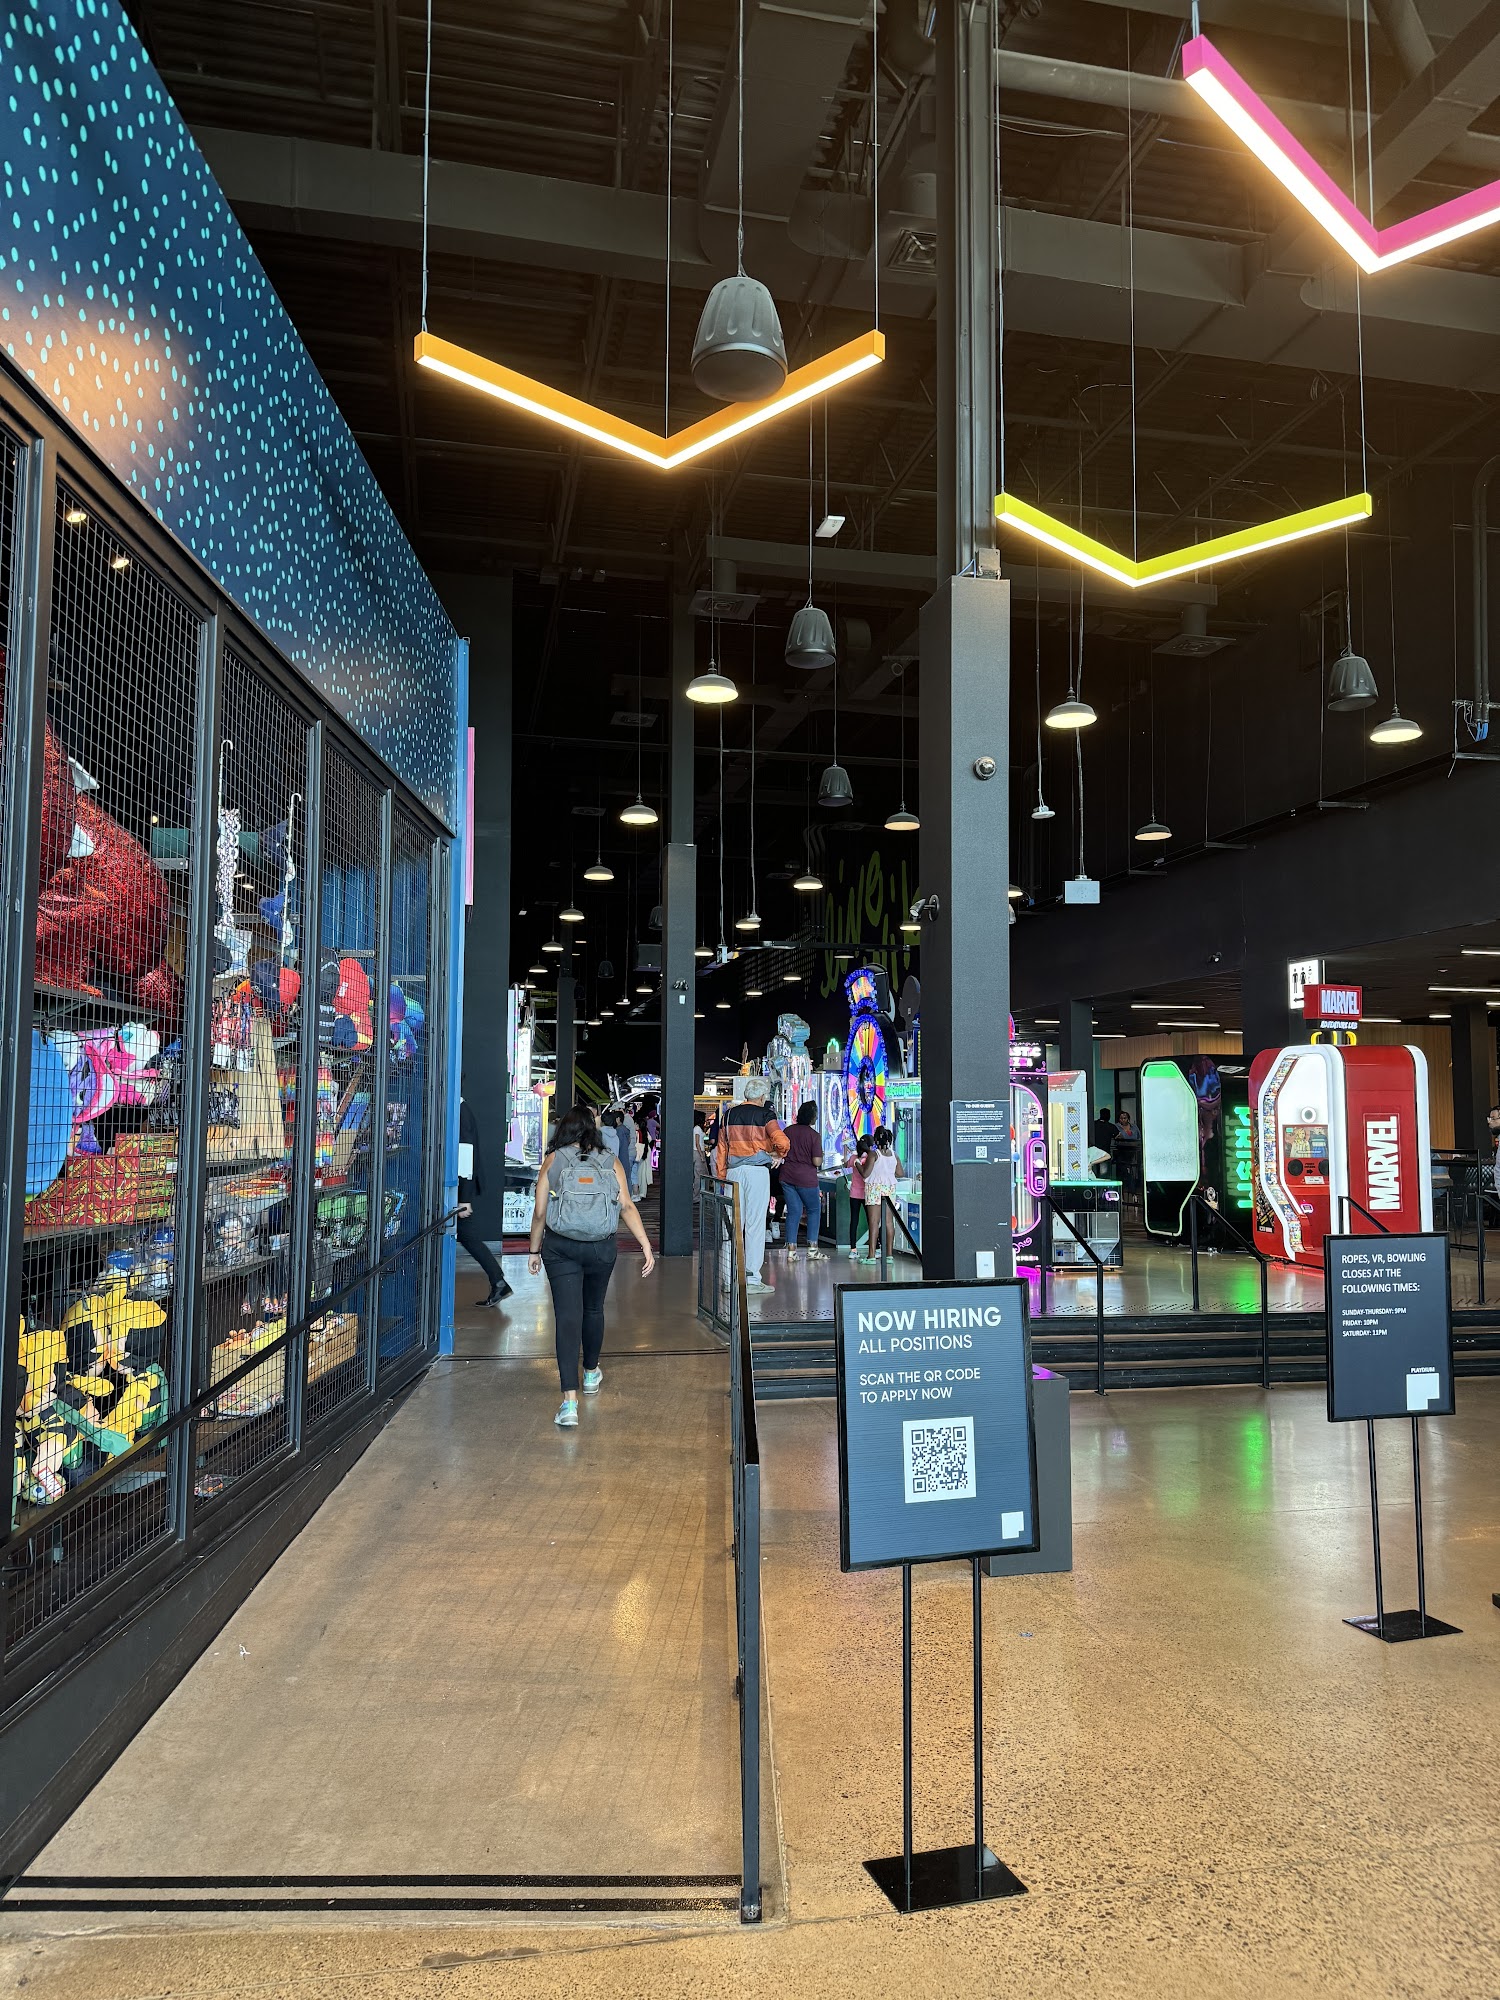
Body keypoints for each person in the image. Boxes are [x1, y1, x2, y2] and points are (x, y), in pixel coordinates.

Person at [527, 1102, 654, 1430]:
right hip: (601, 1246)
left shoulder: (553, 1160)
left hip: (561, 1247)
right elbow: (626, 1206)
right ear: (593, 1129)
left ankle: (569, 1404)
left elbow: (540, 1212)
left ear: (564, 1128)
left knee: (567, 1318)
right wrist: (644, 1243)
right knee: (594, 1309)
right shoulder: (610, 1161)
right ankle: (591, 1374)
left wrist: (534, 1250)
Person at [714, 1076, 789, 1293]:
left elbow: (721, 1150)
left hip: (733, 1173)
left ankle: (729, 1278)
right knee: (755, 1225)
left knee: (731, 1226)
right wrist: (778, 1155)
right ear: (763, 1097)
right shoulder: (766, 1115)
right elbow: (782, 1141)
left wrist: (722, 1177)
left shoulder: (728, 1115)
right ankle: (752, 1280)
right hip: (757, 1174)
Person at [456, 1092, 510, 1307]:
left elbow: (466, 1154)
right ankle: (498, 1281)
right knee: (467, 1236)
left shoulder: (460, 1111)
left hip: (459, 1189)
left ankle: (498, 1281)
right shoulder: (462, 1109)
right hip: (460, 1188)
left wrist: (464, 1198)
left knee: (468, 1236)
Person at [780, 1101, 825, 1262]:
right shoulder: (814, 1135)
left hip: (787, 1176)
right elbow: (817, 1161)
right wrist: (821, 1155)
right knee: (813, 1210)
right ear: (812, 1116)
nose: (817, 1117)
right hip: (806, 1178)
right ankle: (812, 1249)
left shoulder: (788, 1131)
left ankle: (791, 1251)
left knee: (794, 1212)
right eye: (816, 1114)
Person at [858, 1125, 899, 1264]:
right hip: (889, 1189)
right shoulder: (894, 1155)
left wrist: (858, 1164)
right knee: (888, 1222)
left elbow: (865, 1174)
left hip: (874, 1189)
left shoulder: (874, 1154)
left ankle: (871, 1256)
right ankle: (889, 1255)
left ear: (875, 1140)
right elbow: (900, 1173)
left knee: (874, 1222)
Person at [845, 1131, 875, 1256]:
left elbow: (846, 1164)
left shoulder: (854, 1158)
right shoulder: (871, 1158)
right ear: (870, 1146)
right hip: (868, 1193)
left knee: (854, 1221)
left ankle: (853, 1250)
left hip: (854, 1194)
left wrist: (845, 1151)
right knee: (872, 1221)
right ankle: (876, 1247)